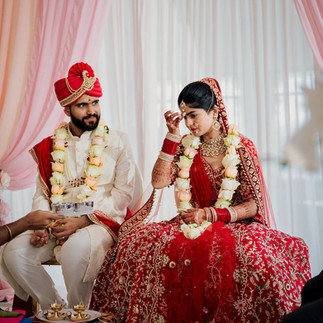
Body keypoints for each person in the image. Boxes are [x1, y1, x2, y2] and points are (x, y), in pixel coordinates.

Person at [90, 78, 311, 322]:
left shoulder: (241, 147)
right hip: (190, 223)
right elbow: (159, 182)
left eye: (193, 115)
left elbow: (253, 205)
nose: (188, 123)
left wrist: (209, 214)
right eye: (184, 117)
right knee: (136, 244)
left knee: (258, 259)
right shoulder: (186, 147)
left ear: (214, 111)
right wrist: (172, 137)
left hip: (235, 225)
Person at [0, 62, 135, 310]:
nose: (91, 110)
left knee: (75, 250)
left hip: (99, 222)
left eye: (94, 102)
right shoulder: (49, 147)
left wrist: (82, 221)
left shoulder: (118, 141)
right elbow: (42, 192)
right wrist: (43, 224)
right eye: (82, 105)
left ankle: (79, 311)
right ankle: (56, 310)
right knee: (13, 253)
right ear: (67, 109)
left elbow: (123, 194)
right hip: (55, 223)